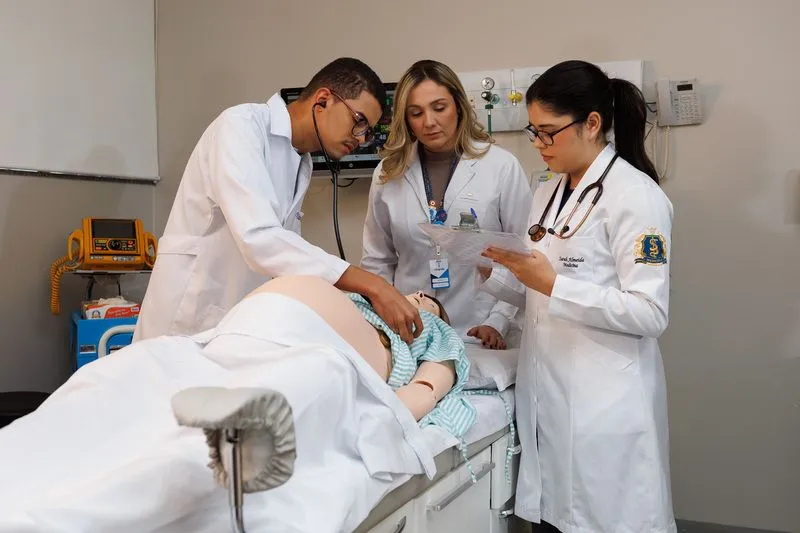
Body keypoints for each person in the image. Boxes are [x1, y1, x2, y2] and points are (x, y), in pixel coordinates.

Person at [0, 276, 474, 532]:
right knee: (128, 380)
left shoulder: (433, 333)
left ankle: (54, 516)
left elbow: (426, 388)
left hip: (319, 355)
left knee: (211, 434)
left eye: (428, 300)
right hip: (236, 335)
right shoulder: (369, 296)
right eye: (414, 292)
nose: (417, 296)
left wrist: (386, 410)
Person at [479, 60, 676, 533]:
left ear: (591, 124)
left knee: (605, 518)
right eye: (534, 132)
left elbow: (650, 313)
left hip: (605, 402)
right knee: (554, 520)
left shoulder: (636, 196)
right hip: (550, 392)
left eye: (549, 132)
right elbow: (540, 290)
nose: (539, 144)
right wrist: (490, 268)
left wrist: (553, 284)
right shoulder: (547, 192)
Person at [134, 57, 423, 345]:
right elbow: (260, 239)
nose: (361, 139)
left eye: (367, 131)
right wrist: (372, 285)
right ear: (323, 100)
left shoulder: (299, 160)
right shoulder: (240, 126)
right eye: (359, 122)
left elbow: (284, 259)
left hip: (232, 322)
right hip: (187, 317)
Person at [361, 59, 533, 350]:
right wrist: (384, 318)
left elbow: (523, 257)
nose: (429, 122)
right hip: (411, 331)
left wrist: (498, 321)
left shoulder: (500, 167)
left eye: (439, 108)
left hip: (482, 331)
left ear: (459, 106)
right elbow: (377, 260)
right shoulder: (388, 173)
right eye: (416, 113)